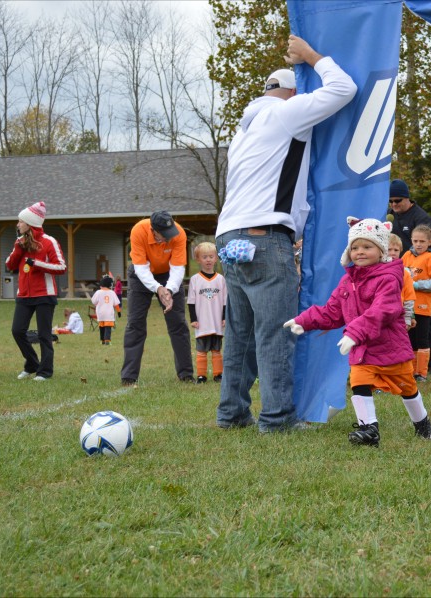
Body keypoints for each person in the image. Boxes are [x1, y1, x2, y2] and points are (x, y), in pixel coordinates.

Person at [215, 35, 356, 432]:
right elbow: (344, 88)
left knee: (240, 335)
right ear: (293, 91)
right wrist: (312, 55)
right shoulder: (286, 112)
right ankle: (276, 419)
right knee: (276, 333)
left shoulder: (244, 130)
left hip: (230, 237)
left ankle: (231, 413)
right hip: (263, 236)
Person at [284, 217, 431, 447]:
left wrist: (354, 332)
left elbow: (383, 310)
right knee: (359, 381)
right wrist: (305, 321)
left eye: (367, 246)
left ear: (381, 249)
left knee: (407, 388)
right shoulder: (347, 281)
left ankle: (422, 424)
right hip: (363, 350)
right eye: (355, 247)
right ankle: (369, 429)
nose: (360, 252)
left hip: (390, 348)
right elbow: (332, 311)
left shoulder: (388, 278)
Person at [121, 210, 194, 386]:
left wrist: (169, 289)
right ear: (153, 230)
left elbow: (177, 267)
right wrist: (157, 288)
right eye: (163, 235)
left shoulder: (179, 233)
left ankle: (186, 374)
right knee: (135, 323)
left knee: (178, 322)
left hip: (169, 275)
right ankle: (129, 376)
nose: (168, 239)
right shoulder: (139, 230)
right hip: (141, 275)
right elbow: (140, 267)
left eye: (170, 235)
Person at [5, 201, 67, 381]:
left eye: (20, 221)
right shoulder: (20, 242)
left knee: (44, 335)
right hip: (24, 295)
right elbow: (9, 265)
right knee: (17, 331)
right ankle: (32, 363)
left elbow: (61, 267)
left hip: (45, 295)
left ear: (30, 224)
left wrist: (38, 264)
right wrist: (18, 248)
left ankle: (45, 371)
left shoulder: (49, 242)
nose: (17, 224)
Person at [402, 225, 431, 382]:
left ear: (429, 242)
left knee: (422, 340)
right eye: (415, 241)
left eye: (422, 241)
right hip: (407, 308)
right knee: (409, 340)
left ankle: (422, 373)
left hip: (423, 307)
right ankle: (411, 372)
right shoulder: (406, 255)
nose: (418, 244)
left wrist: (415, 285)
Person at [187, 242, 226, 383]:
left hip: (216, 322)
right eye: (204, 257)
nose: (208, 260)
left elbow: (225, 301)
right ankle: (201, 376)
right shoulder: (195, 280)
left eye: (211, 256)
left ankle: (218, 374)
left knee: (216, 350)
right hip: (202, 322)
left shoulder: (221, 279)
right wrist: (193, 319)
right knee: (201, 351)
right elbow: (191, 301)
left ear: (216, 258)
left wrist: (224, 317)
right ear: (198, 259)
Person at [387, 179, 431, 253]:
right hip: (391, 263)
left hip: (412, 262)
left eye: (397, 201)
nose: (394, 204)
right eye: (390, 201)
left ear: (407, 198)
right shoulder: (388, 214)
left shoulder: (422, 218)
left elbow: (429, 248)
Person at [388, 234, 416, 330]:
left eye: (396, 250)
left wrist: (409, 317)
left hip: (399, 317)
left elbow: (409, 297)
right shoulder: (375, 270)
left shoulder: (405, 273)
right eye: (389, 249)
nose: (393, 253)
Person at [91, 275, 121, 346]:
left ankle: (102, 340)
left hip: (100, 313)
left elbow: (94, 302)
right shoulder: (112, 293)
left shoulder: (98, 292)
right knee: (108, 327)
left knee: (101, 326)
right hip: (109, 313)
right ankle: (107, 340)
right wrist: (119, 311)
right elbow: (116, 304)